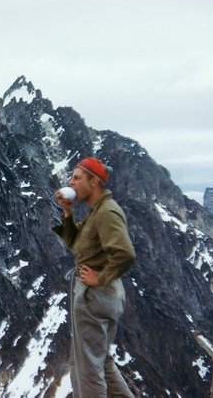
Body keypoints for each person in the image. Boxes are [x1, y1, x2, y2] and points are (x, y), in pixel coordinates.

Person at [53, 157, 136, 397]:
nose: (72, 182)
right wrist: (67, 213)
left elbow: (125, 253)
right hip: (100, 297)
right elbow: (76, 245)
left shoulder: (108, 213)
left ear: (95, 181)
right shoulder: (97, 211)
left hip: (96, 297)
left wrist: (99, 279)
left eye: (78, 178)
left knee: (87, 369)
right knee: (101, 362)